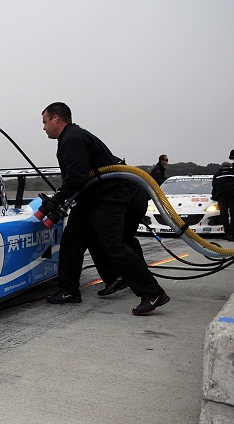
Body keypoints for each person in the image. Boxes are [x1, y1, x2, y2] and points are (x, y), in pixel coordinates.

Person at [40, 102, 168, 315]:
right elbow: (79, 177)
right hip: (90, 199)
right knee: (72, 241)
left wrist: (57, 200)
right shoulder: (69, 138)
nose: (44, 128)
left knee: (113, 246)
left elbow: (77, 177)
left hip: (107, 198)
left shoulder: (73, 138)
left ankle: (153, 293)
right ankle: (69, 291)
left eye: (45, 122)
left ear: (56, 118)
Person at [212, 161, 234, 241]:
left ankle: (227, 232)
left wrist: (213, 197)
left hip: (221, 195)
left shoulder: (217, 175)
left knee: (223, 214)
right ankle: (232, 234)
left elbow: (214, 187)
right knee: (233, 214)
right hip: (233, 194)